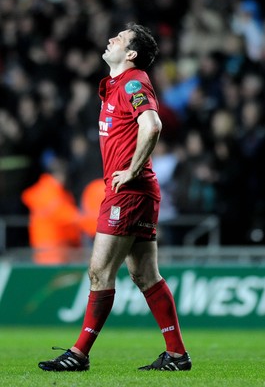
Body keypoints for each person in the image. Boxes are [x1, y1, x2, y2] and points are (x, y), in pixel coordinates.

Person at [38, 22, 192, 372]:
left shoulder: (133, 82)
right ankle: (177, 354)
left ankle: (78, 354)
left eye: (120, 38)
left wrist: (133, 169)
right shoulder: (116, 86)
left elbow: (152, 125)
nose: (111, 39)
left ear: (131, 54)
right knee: (144, 275)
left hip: (128, 191)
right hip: (136, 191)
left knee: (99, 272)